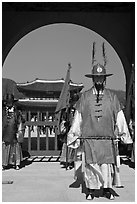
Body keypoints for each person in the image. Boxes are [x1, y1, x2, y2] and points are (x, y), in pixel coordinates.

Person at [67, 42, 133, 200]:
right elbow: (78, 118)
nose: (98, 79)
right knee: (91, 168)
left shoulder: (112, 97)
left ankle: (107, 189)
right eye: (96, 77)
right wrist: (73, 135)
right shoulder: (85, 97)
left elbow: (119, 117)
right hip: (90, 140)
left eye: (100, 77)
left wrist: (125, 135)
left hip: (107, 140)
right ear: (92, 78)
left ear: (104, 78)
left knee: (106, 167)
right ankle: (90, 190)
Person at [2, 93, 23, 170]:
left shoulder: (17, 112)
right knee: (5, 147)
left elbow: (20, 122)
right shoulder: (3, 111)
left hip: (14, 131)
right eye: (7, 102)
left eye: (10, 102)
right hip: (5, 131)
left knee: (15, 148)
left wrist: (19, 131)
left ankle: (16, 163)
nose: (8, 103)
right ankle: (4, 163)